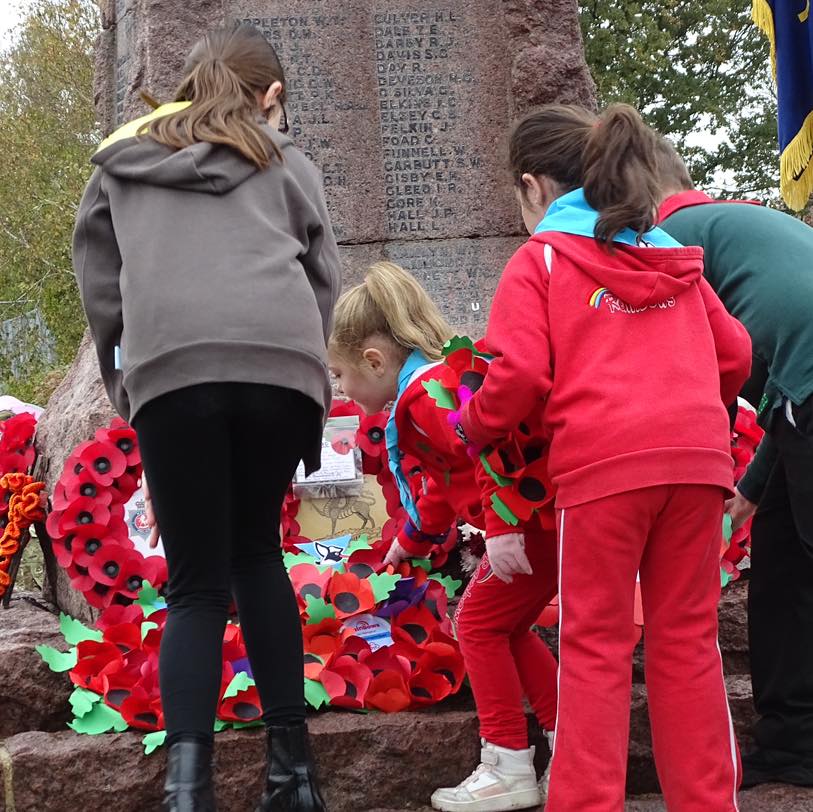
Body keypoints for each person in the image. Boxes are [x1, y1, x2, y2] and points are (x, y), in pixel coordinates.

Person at [72, 24, 340, 812]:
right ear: (272, 96)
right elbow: (322, 275)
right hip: (278, 367)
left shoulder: (121, 165)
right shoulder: (289, 164)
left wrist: (133, 383)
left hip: (173, 371)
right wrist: (301, 370)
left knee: (193, 586)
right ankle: (293, 781)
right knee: (257, 554)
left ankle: (188, 794)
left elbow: (101, 285)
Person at [455, 104, 752, 812]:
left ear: (532, 188)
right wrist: (685, 411)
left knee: (595, 646)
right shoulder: (668, 255)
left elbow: (518, 374)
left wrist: (476, 425)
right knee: (687, 644)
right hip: (696, 462)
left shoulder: (543, 260)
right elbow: (736, 353)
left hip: (602, 468)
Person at [328, 261, 560, 812]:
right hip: (538, 521)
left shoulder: (423, 397)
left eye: (340, 374)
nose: (340, 387)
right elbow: (443, 483)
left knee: (476, 623)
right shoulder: (428, 386)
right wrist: (410, 540)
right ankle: (567, 741)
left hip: (526, 524)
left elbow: (484, 446)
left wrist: (501, 530)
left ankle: (506, 762)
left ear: (374, 360)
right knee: (506, 626)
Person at [656, 138, 813, 789]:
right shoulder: (745, 223)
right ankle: (792, 747)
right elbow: (787, 392)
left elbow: (694, 372)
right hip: (800, 393)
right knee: (781, 564)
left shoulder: (665, 237)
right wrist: (746, 489)